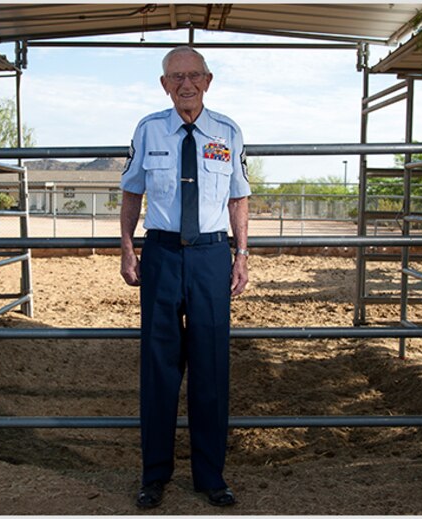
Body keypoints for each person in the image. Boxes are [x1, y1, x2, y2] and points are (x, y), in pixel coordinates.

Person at [119, 46, 250, 509]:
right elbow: (132, 192)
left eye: (194, 76)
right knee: (159, 368)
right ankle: (153, 475)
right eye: (177, 77)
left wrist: (241, 254)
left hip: (212, 258)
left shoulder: (228, 132)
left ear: (208, 81)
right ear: (164, 84)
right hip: (161, 255)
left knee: (211, 368)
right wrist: (128, 247)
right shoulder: (149, 129)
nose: (186, 84)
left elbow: (238, 198)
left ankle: (210, 476)